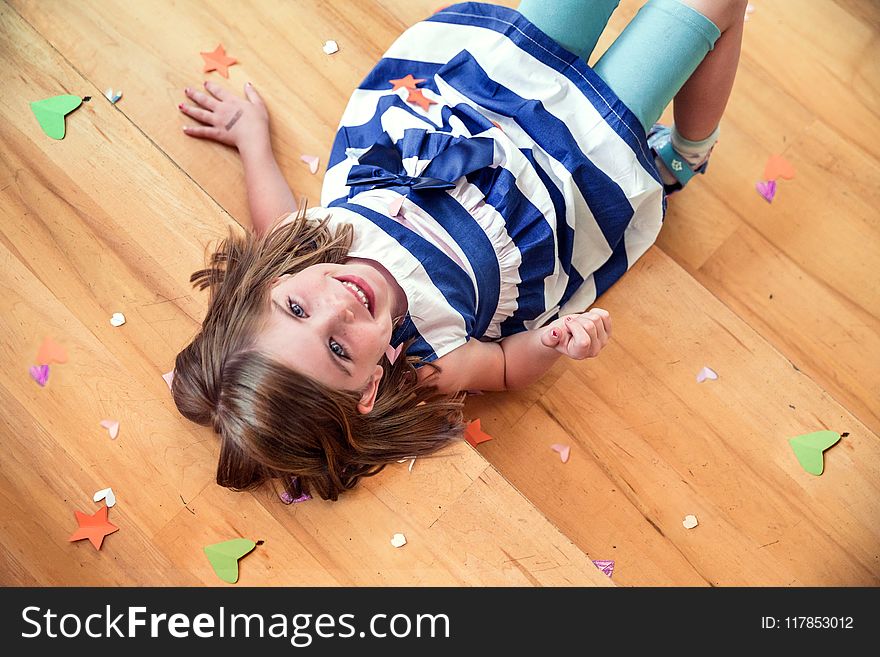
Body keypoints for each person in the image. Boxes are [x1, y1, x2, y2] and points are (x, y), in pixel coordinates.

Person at [173, 0, 745, 501]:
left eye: (297, 309)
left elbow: (270, 207)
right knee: (717, 7)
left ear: (271, 284)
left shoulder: (297, 245)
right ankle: (687, 154)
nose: (338, 308)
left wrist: (251, 137)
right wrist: (550, 342)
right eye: (339, 350)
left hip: (493, 103)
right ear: (370, 388)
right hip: (571, 168)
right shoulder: (429, 365)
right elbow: (502, 367)